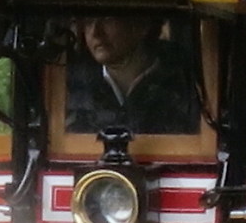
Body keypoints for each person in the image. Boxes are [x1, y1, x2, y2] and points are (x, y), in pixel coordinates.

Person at [63, 13, 202, 139]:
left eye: (107, 19)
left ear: (142, 25)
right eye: (88, 22)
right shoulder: (72, 88)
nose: (95, 33)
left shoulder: (189, 85)